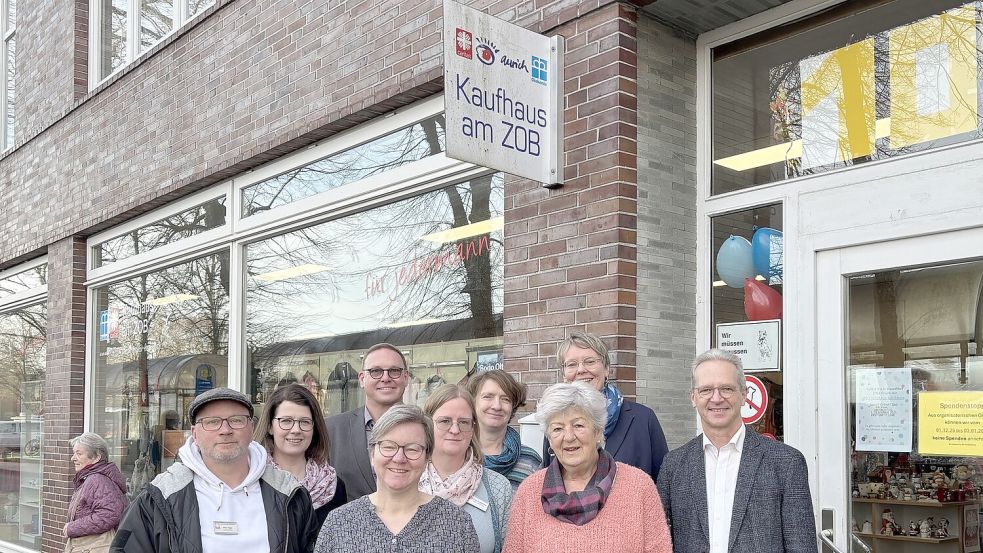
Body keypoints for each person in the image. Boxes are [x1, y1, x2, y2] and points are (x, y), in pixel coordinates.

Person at [111, 387, 319, 553]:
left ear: (251, 427)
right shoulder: (158, 498)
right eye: (212, 422)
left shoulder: (291, 495)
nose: (225, 430)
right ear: (195, 433)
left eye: (236, 420)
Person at [656, 349, 818, 553]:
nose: (716, 398)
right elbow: (660, 543)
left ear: (743, 395)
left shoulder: (786, 462)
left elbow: (802, 546)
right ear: (693, 398)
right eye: (706, 390)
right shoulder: (674, 465)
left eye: (726, 389)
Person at [504, 382, 672, 552]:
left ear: (598, 431)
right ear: (549, 438)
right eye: (557, 429)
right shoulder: (529, 492)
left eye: (578, 425)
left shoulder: (638, 486)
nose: (568, 437)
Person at [314, 404, 480, 552]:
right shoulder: (339, 523)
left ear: (427, 456)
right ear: (372, 453)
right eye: (388, 447)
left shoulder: (457, 524)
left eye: (412, 449)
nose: (399, 458)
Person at [543, 332, 669, 483]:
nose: (581, 369)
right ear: (564, 374)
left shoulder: (643, 419)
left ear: (607, 369)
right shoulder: (555, 422)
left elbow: (663, 483)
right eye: (571, 364)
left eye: (590, 362)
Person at [421, 384, 512, 553]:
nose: (455, 430)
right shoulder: (408, 480)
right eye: (445, 421)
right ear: (427, 425)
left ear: (473, 428)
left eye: (463, 422)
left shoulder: (498, 488)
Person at [326, 342, 410, 501]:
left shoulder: (427, 429)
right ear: (362, 379)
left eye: (394, 371)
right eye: (376, 371)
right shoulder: (331, 430)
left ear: (405, 377)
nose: (385, 378)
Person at [255, 383, 346, 528]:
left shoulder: (333, 486)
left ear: (314, 428)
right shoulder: (254, 481)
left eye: (305, 422)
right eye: (286, 421)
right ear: (270, 427)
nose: (296, 430)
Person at [465, 370, 541, 491]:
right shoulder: (458, 454)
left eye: (505, 399)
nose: (497, 406)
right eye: (488, 397)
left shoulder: (530, 461)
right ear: (473, 402)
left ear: (513, 406)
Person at [65, 433, 128, 553]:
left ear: (96, 457)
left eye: (79, 453)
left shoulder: (96, 479)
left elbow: (110, 514)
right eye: (74, 453)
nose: (73, 458)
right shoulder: (91, 478)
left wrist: (72, 527)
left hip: (92, 547)